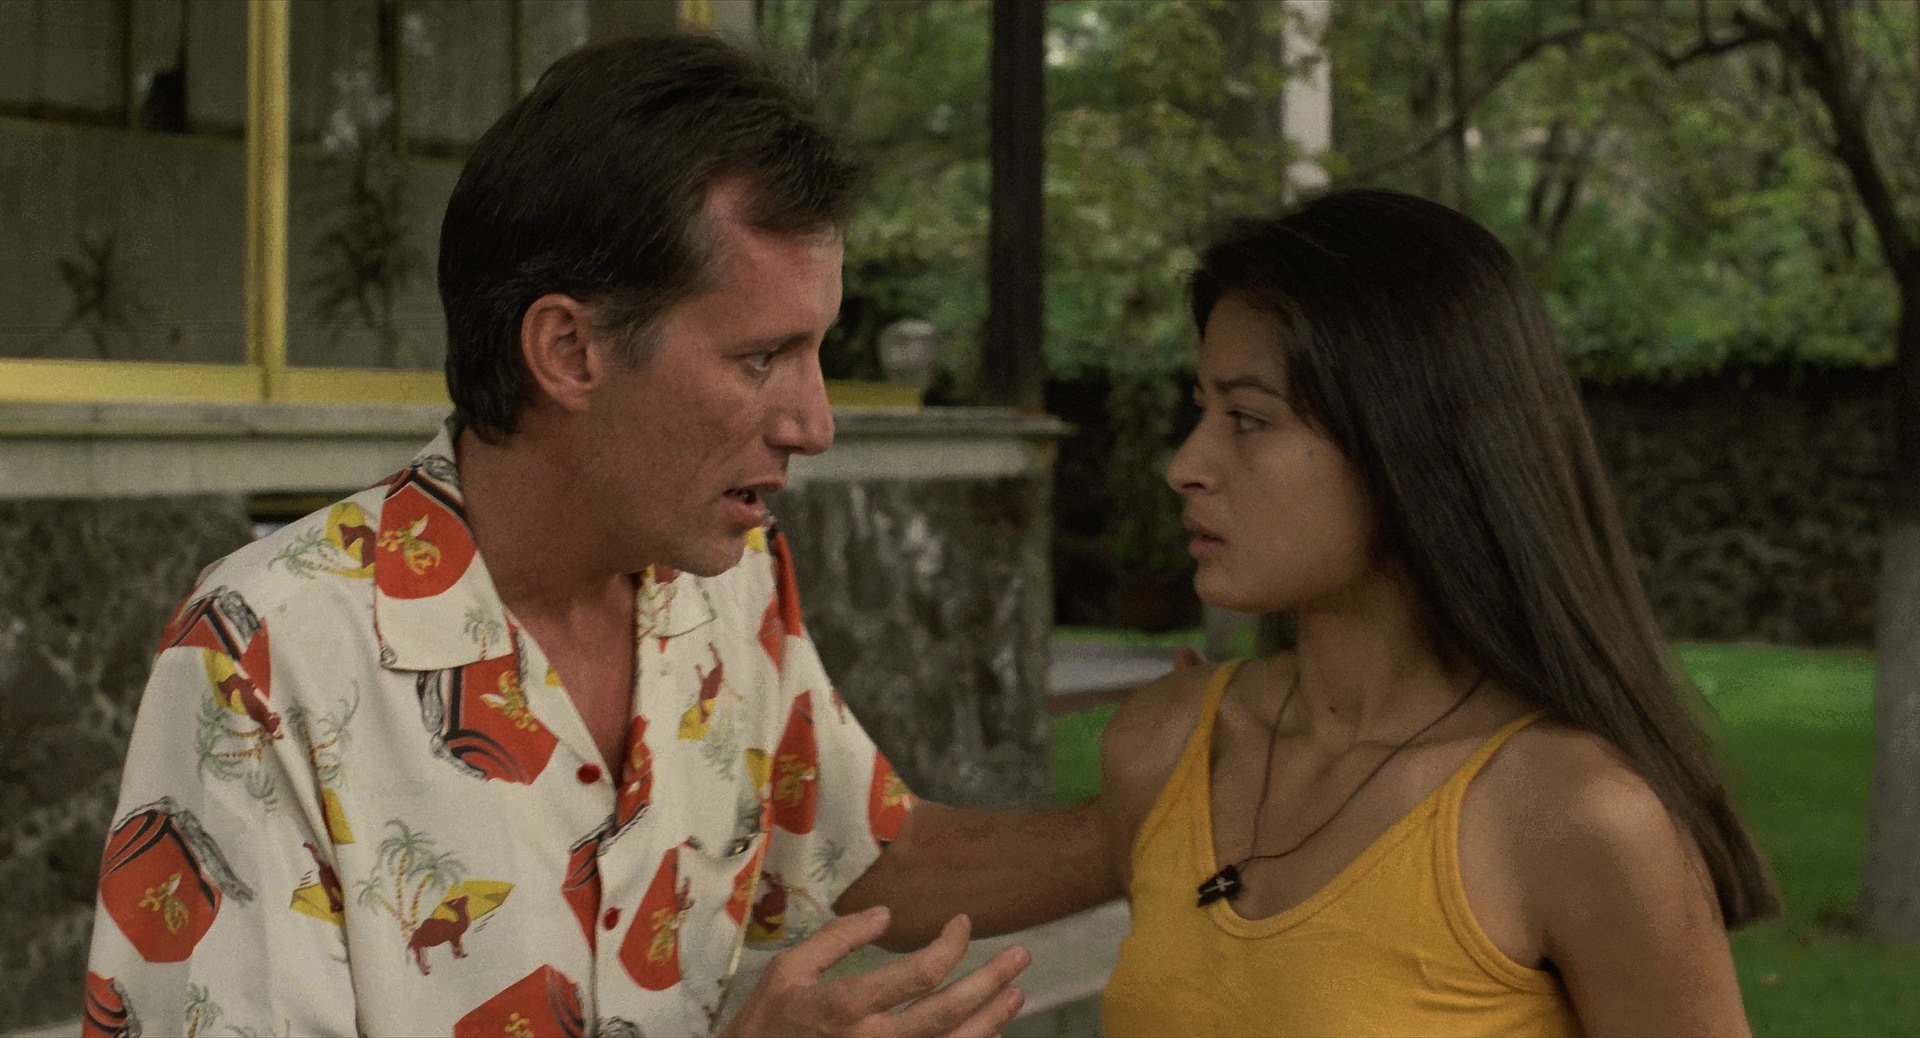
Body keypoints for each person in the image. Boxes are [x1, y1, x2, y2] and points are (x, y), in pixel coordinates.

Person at [83, 34, 1114, 1038]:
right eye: (762, 358)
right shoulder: (262, 655)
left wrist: (1154, 822)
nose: (814, 423)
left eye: (818, 353)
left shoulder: (729, 583)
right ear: (570, 349)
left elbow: (866, 853)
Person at [1095, 189, 1781, 1036]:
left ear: (1407, 442)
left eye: (1248, 418)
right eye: (1200, 409)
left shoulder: (1577, 816)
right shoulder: (1163, 749)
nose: (1187, 464)